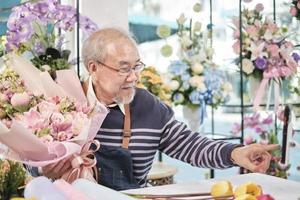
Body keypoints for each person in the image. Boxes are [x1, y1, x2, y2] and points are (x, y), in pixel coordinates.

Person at [42, 27, 279, 191]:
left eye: (137, 67)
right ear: (93, 68)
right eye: (124, 69)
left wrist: (236, 154)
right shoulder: (63, 102)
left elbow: (190, 145)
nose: (133, 77)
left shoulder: (148, 106)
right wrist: (43, 168)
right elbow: (32, 160)